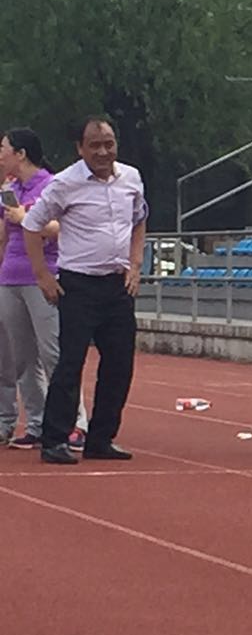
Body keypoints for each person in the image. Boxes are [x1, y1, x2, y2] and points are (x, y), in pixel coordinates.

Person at [22, 117, 148, 464]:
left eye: (109, 144)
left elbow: (139, 219)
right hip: (79, 285)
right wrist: (42, 276)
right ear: (80, 148)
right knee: (70, 363)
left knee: (120, 364)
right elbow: (32, 225)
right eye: (94, 145)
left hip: (117, 284)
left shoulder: (131, 178)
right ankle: (54, 439)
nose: (103, 151)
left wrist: (136, 264)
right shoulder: (65, 183)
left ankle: (101, 438)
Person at [0, 128, 87, 449]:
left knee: (54, 353)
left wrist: (24, 217)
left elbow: (59, 227)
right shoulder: (11, 189)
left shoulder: (51, 185)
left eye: (4, 148)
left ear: (21, 153)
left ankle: (75, 422)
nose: (0, 155)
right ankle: (37, 423)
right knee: (23, 358)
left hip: (43, 275)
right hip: (11, 277)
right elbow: (4, 233)